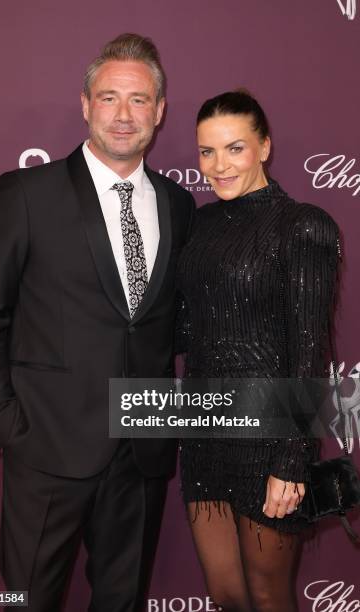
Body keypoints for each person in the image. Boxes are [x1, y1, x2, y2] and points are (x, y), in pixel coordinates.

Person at [0, 33, 195, 612]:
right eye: (109, 97)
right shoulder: (25, 194)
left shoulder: (179, 205)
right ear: (86, 104)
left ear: (160, 112)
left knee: (122, 600)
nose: (123, 114)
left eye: (139, 100)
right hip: (46, 448)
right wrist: (5, 422)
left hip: (140, 453)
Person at [176, 91, 339, 612]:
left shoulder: (304, 225)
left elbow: (310, 353)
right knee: (226, 596)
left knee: (269, 597)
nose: (218, 166)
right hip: (204, 429)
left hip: (269, 436)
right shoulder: (199, 226)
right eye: (206, 152)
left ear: (265, 146)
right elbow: (186, 328)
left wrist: (292, 460)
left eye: (235, 148)